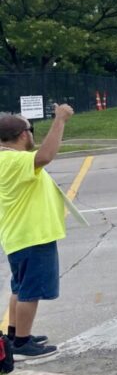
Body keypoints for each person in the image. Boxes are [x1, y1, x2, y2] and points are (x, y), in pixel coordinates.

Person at [0, 104, 74, 360]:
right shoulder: (14, 159)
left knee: (20, 289)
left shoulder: (6, 159)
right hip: (32, 235)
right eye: (31, 131)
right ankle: (21, 343)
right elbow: (45, 156)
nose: (33, 136)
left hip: (20, 235)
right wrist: (60, 120)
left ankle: (14, 334)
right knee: (30, 291)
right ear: (23, 135)